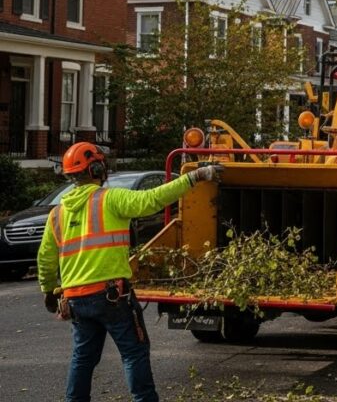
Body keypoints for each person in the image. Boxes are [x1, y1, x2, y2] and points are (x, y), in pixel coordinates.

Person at [37, 142, 224, 402]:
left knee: (83, 359)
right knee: (134, 353)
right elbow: (153, 199)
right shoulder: (110, 200)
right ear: (96, 169)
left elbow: (45, 258)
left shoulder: (56, 214)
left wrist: (48, 290)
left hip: (75, 299)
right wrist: (195, 176)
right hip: (111, 296)